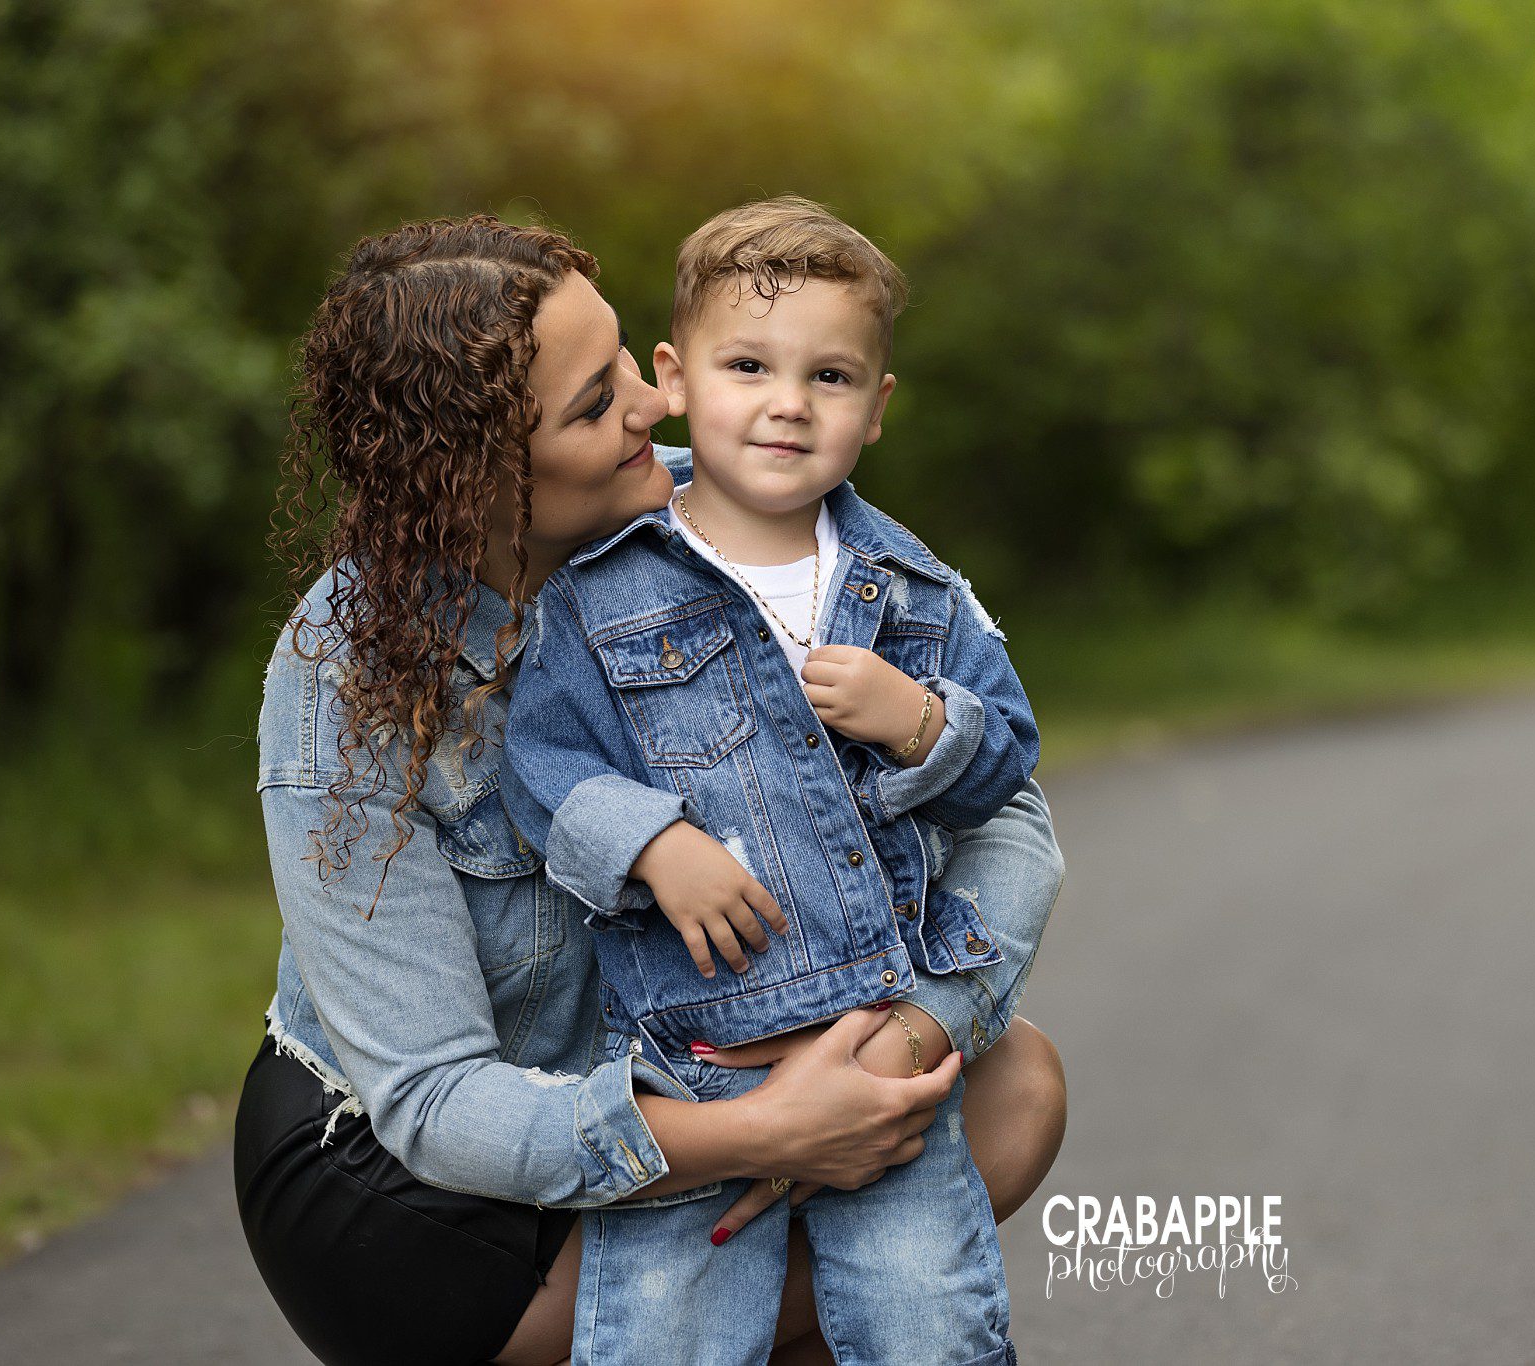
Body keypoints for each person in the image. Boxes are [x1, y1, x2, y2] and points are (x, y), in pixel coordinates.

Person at [235, 213, 1068, 1366]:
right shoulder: (346, 680)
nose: (652, 405)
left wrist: (906, 1030)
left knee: (1002, 1082)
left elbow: (1006, 810)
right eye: (593, 404)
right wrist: (759, 1132)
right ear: (471, 480)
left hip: (683, 1061)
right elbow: (432, 1102)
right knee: (763, 1238)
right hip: (423, 1185)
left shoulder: (725, 507)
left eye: (627, 358)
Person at [499, 198, 1040, 1365]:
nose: (787, 402)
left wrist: (921, 723)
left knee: (927, 1325)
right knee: (667, 1339)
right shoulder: (600, 591)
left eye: (829, 376)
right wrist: (648, 841)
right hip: (686, 1064)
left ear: (876, 408)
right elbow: (538, 761)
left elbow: (1006, 763)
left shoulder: (913, 593)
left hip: (876, 1050)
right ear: (674, 376)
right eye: (747, 365)